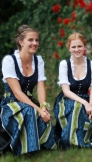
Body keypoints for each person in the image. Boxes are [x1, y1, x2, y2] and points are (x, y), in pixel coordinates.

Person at [0, 25, 57, 155]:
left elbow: (41, 86)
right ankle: (29, 151)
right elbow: (17, 92)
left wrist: (43, 106)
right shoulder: (9, 61)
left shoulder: (38, 61)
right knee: (30, 110)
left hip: (29, 101)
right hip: (11, 103)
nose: (35, 43)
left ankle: (36, 144)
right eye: (30, 40)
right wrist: (37, 109)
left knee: (41, 114)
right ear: (21, 42)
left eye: (36, 40)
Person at [54, 32, 92, 148]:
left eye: (79, 46)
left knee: (85, 112)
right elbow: (66, 91)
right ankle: (72, 141)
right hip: (67, 99)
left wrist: (90, 104)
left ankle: (80, 139)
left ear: (84, 47)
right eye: (73, 47)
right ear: (69, 48)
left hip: (86, 98)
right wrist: (85, 103)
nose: (77, 49)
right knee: (77, 107)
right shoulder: (64, 65)